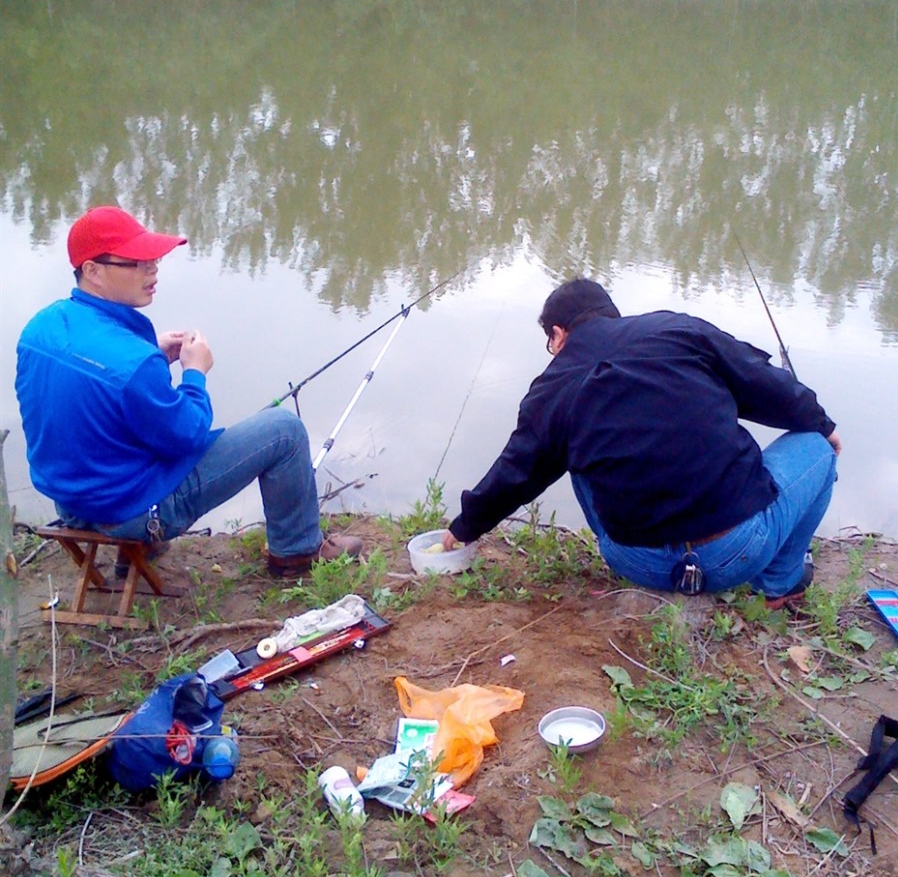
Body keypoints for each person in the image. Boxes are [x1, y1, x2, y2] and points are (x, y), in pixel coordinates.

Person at [442, 278, 840, 608]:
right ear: (610, 314)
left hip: (635, 560)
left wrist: (465, 527)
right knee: (817, 447)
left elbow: (516, 472)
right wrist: (821, 424)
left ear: (559, 335)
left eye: (550, 341)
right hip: (738, 552)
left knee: (567, 449)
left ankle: (676, 566)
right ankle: (777, 585)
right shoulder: (678, 329)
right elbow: (764, 384)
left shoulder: (550, 389)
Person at [15, 205, 360, 578]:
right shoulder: (134, 364)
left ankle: (130, 550)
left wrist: (153, 358)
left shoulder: (40, 328)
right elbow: (188, 435)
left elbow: (94, 395)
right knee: (284, 430)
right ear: (93, 270)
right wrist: (194, 373)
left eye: (153, 258)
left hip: (71, 505)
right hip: (132, 514)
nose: (152, 269)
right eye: (136, 261)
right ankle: (297, 551)